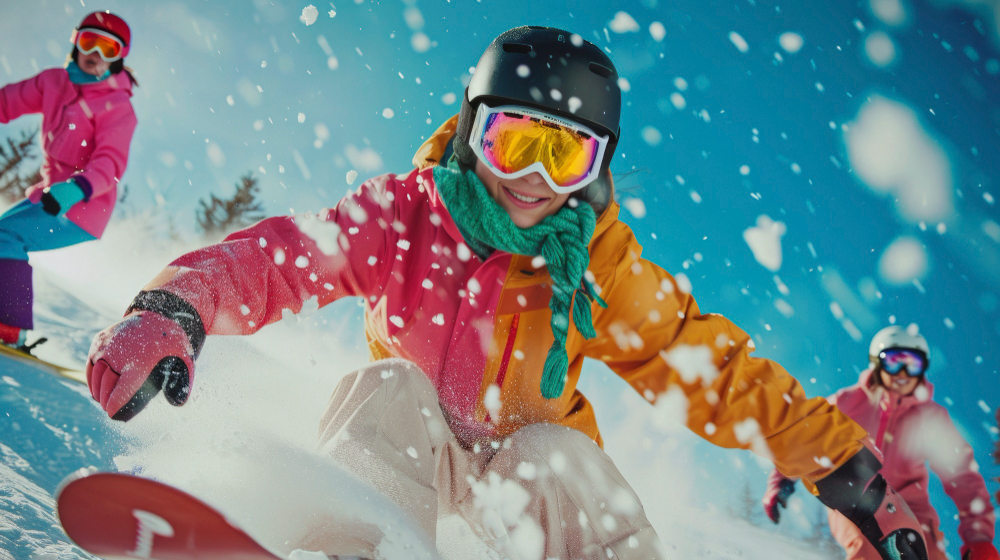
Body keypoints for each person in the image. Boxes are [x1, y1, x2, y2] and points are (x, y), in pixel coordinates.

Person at [86, 27, 932, 560]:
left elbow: (715, 372)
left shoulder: (594, 265)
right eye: (512, 141)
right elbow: (285, 256)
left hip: (527, 483)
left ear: (594, 170)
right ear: (470, 129)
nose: (532, 178)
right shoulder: (406, 215)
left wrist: (851, 474)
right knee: (386, 389)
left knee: (554, 454)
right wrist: (177, 305)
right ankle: (351, 549)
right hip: (413, 453)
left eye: (564, 156)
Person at [763, 325, 997, 560]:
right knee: (871, 547)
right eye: (894, 362)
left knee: (925, 552)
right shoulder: (847, 402)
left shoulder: (930, 417)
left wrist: (979, 539)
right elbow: (806, 434)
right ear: (877, 363)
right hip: (855, 498)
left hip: (911, 506)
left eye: (913, 364)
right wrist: (781, 479)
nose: (903, 372)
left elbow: (962, 476)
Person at [0, 11, 137, 352]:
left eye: (108, 48)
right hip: (48, 195)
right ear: (76, 43)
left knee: (7, 236)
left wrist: (77, 189)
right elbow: (7, 102)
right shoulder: (54, 83)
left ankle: (9, 328)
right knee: (2, 233)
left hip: (84, 203)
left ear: (118, 58)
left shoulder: (117, 106)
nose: (96, 54)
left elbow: (110, 162)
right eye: (90, 42)